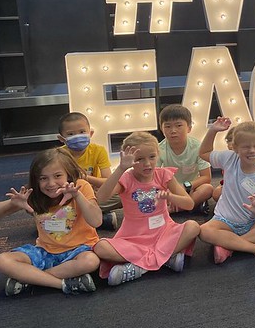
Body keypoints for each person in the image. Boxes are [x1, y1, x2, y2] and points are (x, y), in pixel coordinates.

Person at [0, 148, 100, 296]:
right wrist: (12, 204)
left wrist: (77, 196)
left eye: (58, 176)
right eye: (43, 178)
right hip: (45, 252)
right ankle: (62, 284)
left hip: (80, 249)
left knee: (90, 261)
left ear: (68, 175)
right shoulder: (34, 194)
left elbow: (96, 221)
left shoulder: (80, 186)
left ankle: (30, 278)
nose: (51, 183)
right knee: (1, 261)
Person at [93, 132, 201, 286]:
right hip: (133, 238)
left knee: (193, 227)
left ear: (158, 154)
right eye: (139, 159)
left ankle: (138, 266)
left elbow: (189, 204)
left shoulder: (164, 174)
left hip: (163, 232)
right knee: (101, 247)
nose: (147, 164)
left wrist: (170, 197)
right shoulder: (126, 178)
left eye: (152, 157)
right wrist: (120, 169)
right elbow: (101, 198)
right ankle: (164, 259)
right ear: (129, 160)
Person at [198, 119, 255, 263]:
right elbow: (203, 153)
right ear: (235, 148)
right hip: (224, 221)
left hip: (252, 224)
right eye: (246, 147)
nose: (252, 151)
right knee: (203, 231)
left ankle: (229, 246)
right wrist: (213, 130)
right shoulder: (229, 158)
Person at [57, 111, 120, 230]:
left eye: (82, 132)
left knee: (123, 194)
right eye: (71, 134)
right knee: (38, 203)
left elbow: (108, 181)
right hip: (68, 198)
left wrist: (86, 178)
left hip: (93, 196)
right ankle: (101, 219)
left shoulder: (98, 150)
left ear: (90, 133)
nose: (77, 136)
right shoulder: (59, 155)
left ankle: (74, 220)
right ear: (61, 138)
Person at [157, 104, 213, 214]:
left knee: (208, 188)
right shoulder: (159, 149)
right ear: (162, 129)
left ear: (189, 128)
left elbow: (206, 177)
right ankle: (188, 206)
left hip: (191, 187)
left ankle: (175, 209)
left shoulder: (198, 147)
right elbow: (154, 177)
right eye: (168, 126)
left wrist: (186, 186)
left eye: (178, 125)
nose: (173, 130)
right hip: (170, 190)